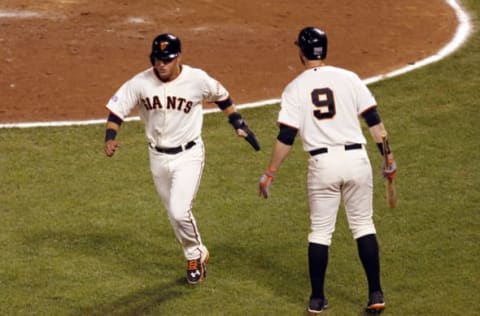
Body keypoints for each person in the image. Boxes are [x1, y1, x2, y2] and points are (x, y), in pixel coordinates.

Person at [258, 27, 396, 314]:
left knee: (320, 232)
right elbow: (375, 123)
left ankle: (317, 299)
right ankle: (375, 293)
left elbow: (286, 137)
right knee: (363, 226)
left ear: (301, 52)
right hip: (357, 160)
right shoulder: (350, 78)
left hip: (323, 166)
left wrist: (270, 172)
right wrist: (388, 160)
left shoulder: (295, 88)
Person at [104, 33, 259, 285]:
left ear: (178, 58)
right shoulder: (140, 82)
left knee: (179, 210)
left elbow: (222, 96)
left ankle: (196, 253)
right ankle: (193, 253)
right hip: (157, 157)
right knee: (172, 213)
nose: (161, 64)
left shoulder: (196, 79)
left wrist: (237, 122)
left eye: (167, 59)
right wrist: (110, 137)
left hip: (189, 155)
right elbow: (117, 110)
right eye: (157, 59)